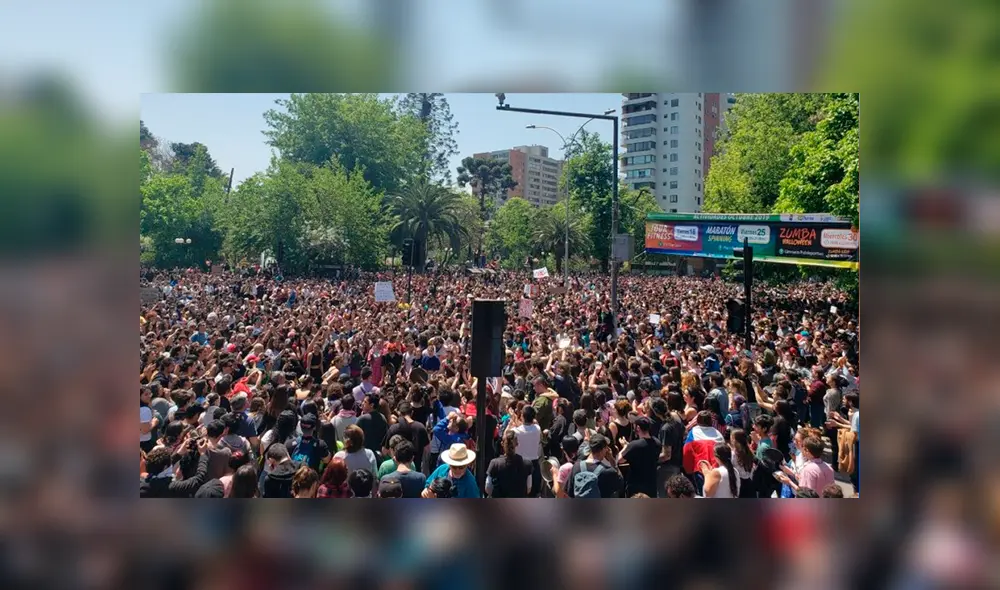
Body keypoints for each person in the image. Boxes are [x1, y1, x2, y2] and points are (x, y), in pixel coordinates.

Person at [140, 439, 209, 498]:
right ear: (165, 467)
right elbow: (198, 479)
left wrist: (179, 454)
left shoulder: (144, 482)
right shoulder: (171, 486)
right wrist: (203, 455)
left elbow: (162, 464)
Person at [566, 433, 624, 498]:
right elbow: (620, 484)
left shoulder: (576, 467)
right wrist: (611, 460)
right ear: (603, 449)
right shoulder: (607, 471)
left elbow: (569, 492)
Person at [617, 416, 661, 498]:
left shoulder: (634, 445)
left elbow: (620, 460)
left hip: (636, 485)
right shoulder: (657, 443)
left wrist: (625, 447)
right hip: (651, 483)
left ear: (638, 428)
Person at [486, 430, 532, 498]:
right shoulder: (527, 464)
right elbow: (528, 488)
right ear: (517, 444)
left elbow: (488, 487)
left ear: (502, 443)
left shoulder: (494, 463)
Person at [511, 405, 543, 497]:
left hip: (520, 465)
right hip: (534, 465)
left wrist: (513, 419)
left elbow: (512, 431)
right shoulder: (537, 429)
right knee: (533, 494)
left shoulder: (515, 431)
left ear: (522, 416)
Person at [356, 393, 389, 460]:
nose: (362, 404)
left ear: (372, 405)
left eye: (365, 402)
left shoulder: (362, 419)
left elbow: (354, 436)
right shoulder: (382, 417)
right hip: (379, 456)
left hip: (364, 456)